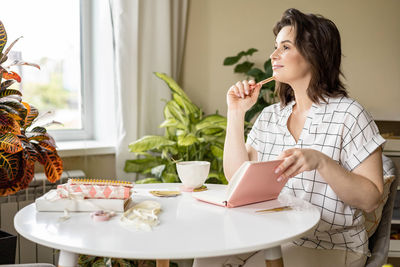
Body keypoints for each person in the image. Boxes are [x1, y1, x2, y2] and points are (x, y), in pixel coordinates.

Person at [193, 8, 385, 267]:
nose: (273, 56)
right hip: (271, 236)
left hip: (330, 244)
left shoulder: (350, 114)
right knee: (206, 260)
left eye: (285, 47)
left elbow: (371, 198)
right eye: (275, 47)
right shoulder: (271, 115)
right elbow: (235, 176)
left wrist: (321, 162)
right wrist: (235, 113)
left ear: (314, 54)